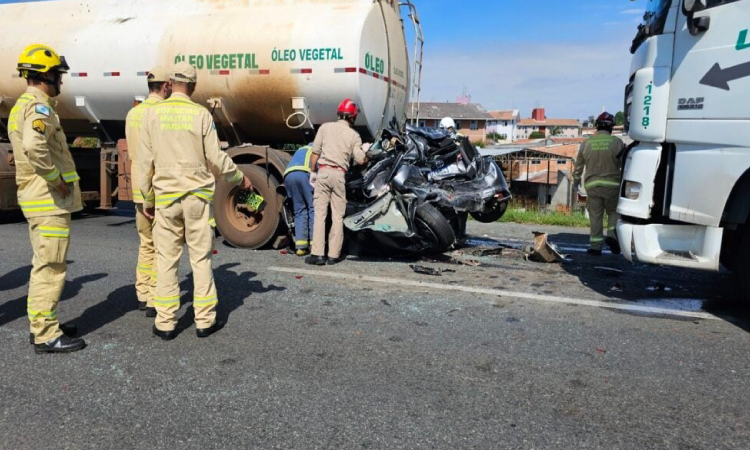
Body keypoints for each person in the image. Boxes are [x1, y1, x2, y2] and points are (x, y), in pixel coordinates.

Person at [138, 62, 252, 341]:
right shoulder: (200, 114)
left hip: (166, 198)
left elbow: (145, 162)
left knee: (166, 260)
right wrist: (239, 178)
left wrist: (147, 199)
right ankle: (204, 321)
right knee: (200, 259)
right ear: (193, 85)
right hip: (197, 198)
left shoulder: (152, 115)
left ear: (169, 83)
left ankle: (165, 323)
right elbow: (215, 156)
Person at [9, 44, 86, 353]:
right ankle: (45, 334)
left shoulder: (21, 106)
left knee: (44, 262)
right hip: (47, 199)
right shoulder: (38, 107)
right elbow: (33, 145)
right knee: (52, 266)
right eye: (58, 75)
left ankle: (43, 323)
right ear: (47, 75)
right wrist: (56, 179)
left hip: (37, 198)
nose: (61, 82)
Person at [125, 67, 171, 318]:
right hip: (157, 190)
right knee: (161, 246)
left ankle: (142, 293)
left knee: (145, 244)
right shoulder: (161, 113)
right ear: (166, 87)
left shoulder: (133, 113)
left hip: (137, 189)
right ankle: (155, 297)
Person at [305, 99, 368, 266]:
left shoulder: (325, 128)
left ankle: (317, 254)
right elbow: (361, 160)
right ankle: (333, 255)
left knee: (320, 215)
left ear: (339, 114)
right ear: (353, 117)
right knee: (338, 217)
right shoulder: (354, 135)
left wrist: (313, 171)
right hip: (340, 176)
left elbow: (315, 152)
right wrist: (366, 151)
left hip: (324, 173)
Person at [573, 112, 625, 256]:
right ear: (612, 127)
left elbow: (578, 166)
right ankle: (612, 236)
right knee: (613, 212)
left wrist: (576, 181)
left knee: (596, 216)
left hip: (592, 186)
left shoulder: (587, 143)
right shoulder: (617, 143)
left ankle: (595, 247)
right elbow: (624, 164)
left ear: (596, 126)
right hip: (613, 186)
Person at [284, 143, 315, 256]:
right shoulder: (317, 149)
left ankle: (301, 247)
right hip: (304, 174)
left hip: (289, 176)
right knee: (313, 209)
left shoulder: (302, 148)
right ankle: (314, 244)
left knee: (299, 210)